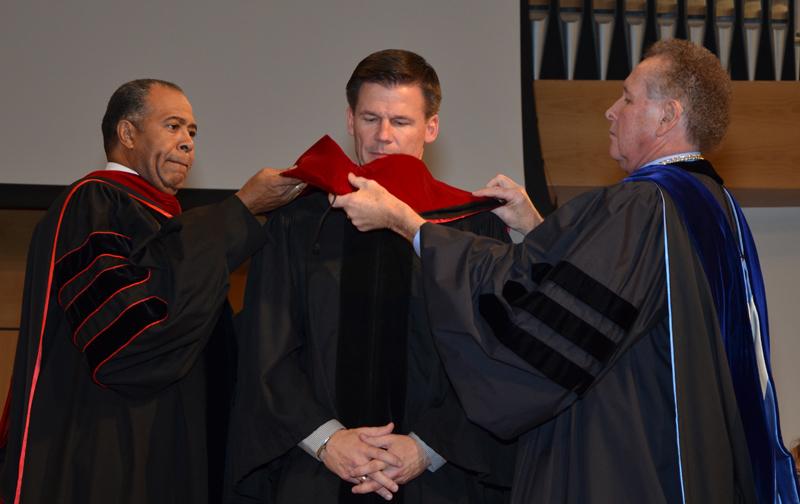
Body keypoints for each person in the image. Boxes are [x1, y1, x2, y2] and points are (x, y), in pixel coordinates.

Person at [332, 39, 800, 503]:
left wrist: (408, 224)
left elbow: (546, 332)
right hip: (679, 446)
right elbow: (606, 301)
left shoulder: (641, 205)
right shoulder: (708, 201)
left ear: (667, 116)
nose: (611, 111)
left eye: (628, 97)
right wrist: (538, 229)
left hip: (626, 456)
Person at [226, 50, 514, 503]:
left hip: (438, 475)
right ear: (349, 119)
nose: (383, 136)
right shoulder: (301, 222)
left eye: (400, 121)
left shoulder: (471, 226)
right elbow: (268, 346)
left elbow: (494, 358)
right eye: (370, 118)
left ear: (431, 127)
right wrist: (327, 440)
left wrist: (426, 447)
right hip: (317, 470)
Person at [0, 78, 305, 504]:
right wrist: (239, 209)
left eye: (192, 132)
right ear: (127, 134)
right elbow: (132, 336)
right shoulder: (94, 202)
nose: (187, 143)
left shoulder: (170, 223)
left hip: (168, 446)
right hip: (107, 446)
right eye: (173, 126)